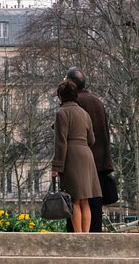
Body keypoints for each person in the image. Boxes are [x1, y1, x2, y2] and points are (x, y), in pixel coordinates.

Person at [65, 67, 115, 232]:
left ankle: (78, 244)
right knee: (95, 209)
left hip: (79, 163)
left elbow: (64, 132)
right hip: (99, 162)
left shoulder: (74, 103)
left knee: (75, 203)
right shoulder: (97, 102)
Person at [51, 79, 102, 233]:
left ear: (60, 96)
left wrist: (56, 167)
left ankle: (78, 235)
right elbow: (91, 139)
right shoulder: (84, 113)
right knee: (85, 200)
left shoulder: (61, 113)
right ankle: (86, 235)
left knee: (74, 200)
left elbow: (61, 142)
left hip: (71, 156)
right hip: (86, 155)